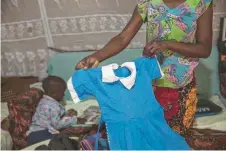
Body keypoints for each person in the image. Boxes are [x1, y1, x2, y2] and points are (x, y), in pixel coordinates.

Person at [75, 0, 213, 148]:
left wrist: (167, 44)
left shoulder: (201, 3)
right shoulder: (148, 3)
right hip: (150, 86)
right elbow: (123, 38)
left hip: (181, 86)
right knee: (147, 135)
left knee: (173, 138)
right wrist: (97, 56)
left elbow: (204, 49)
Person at [27, 76, 80, 146]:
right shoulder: (53, 106)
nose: (64, 95)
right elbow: (57, 125)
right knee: (65, 141)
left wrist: (67, 114)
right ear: (53, 93)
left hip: (32, 135)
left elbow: (53, 116)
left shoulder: (43, 101)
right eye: (62, 92)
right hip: (44, 133)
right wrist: (74, 119)